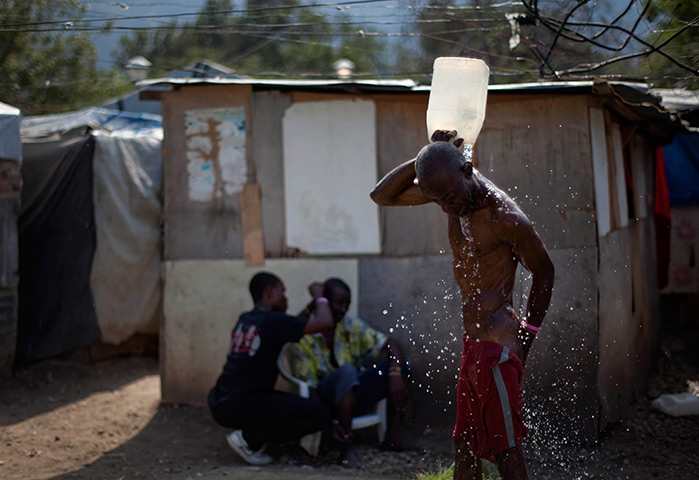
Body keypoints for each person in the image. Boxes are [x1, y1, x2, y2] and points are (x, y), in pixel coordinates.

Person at [369, 131, 555, 480]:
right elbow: (381, 195)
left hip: (498, 350)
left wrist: (527, 339)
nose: (448, 208)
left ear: (468, 170)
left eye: (451, 197)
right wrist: (425, 155)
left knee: (506, 452)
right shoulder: (450, 189)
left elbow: (545, 274)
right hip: (473, 346)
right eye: (439, 201)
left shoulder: (505, 218)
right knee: (465, 448)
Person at [207, 272, 334, 466]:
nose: (286, 298)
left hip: (221, 401)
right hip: (247, 402)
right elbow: (326, 322)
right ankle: (250, 439)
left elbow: (293, 326)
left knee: (279, 405)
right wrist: (320, 297)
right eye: (282, 292)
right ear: (269, 292)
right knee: (321, 414)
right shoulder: (273, 322)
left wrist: (310, 307)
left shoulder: (247, 319)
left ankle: (256, 437)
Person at [287, 277, 411, 468]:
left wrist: (395, 373)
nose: (344, 309)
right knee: (347, 372)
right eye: (339, 303)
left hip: (355, 395)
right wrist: (327, 420)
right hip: (324, 401)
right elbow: (309, 388)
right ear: (325, 303)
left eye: (347, 304)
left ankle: (392, 436)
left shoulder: (350, 325)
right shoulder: (307, 334)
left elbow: (390, 343)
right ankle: (345, 446)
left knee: (400, 367)